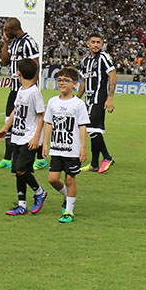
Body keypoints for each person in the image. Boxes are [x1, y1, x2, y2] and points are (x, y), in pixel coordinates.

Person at [0, 18, 44, 170]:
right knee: (10, 120)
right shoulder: (14, 43)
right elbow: (5, 61)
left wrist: (31, 87)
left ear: (13, 29)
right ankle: (8, 158)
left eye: (6, 30)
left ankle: (40, 158)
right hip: (15, 89)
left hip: (28, 91)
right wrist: (6, 42)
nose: (4, 33)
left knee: (31, 124)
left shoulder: (29, 42)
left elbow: (36, 65)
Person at [0, 58, 46, 215]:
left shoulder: (34, 92)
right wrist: (5, 128)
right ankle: (21, 205)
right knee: (18, 172)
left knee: (22, 170)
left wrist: (36, 138)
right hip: (17, 136)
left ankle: (39, 192)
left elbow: (42, 116)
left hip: (28, 137)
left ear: (18, 72)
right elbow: (16, 110)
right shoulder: (21, 90)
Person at [42, 67, 90, 223]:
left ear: (74, 84)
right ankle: (67, 197)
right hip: (56, 148)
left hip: (72, 150)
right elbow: (48, 123)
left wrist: (83, 147)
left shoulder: (78, 104)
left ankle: (69, 212)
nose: (61, 83)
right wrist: (45, 144)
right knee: (53, 179)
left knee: (70, 179)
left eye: (65, 80)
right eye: (59, 80)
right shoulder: (52, 102)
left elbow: (82, 126)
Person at [78, 33, 117, 173]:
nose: (95, 44)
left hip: (99, 98)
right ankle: (94, 163)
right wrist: (77, 97)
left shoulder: (104, 58)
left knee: (92, 128)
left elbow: (113, 76)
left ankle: (107, 157)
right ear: (87, 43)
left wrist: (110, 97)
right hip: (88, 100)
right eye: (93, 42)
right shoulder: (85, 61)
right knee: (93, 131)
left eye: (98, 42)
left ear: (102, 44)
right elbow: (83, 81)